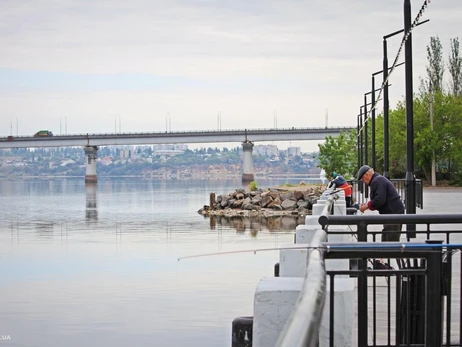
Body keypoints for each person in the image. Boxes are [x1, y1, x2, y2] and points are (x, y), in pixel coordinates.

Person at [357, 165, 405, 242]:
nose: (363, 181)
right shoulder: (378, 179)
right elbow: (379, 198)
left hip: (392, 213)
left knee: (391, 239)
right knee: (387, 236)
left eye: (362, 179)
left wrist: (366, 206)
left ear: (367, 175)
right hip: (393, 212)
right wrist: (368, 204)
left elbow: (379, 200)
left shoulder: (377, 181)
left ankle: (390, 253)